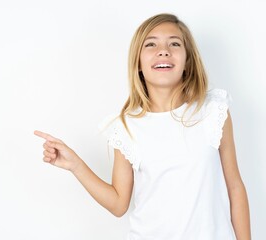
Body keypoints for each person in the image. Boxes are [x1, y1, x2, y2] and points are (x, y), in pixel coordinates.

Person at [34, 13, 251, 240]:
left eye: (174, 43)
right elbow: (118, 204)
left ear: (187, 61)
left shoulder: (213, 111)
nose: (163, 50)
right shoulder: (126, 127)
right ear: (138, 62)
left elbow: (235, 188)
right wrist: (75, 165)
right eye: (151, 44)